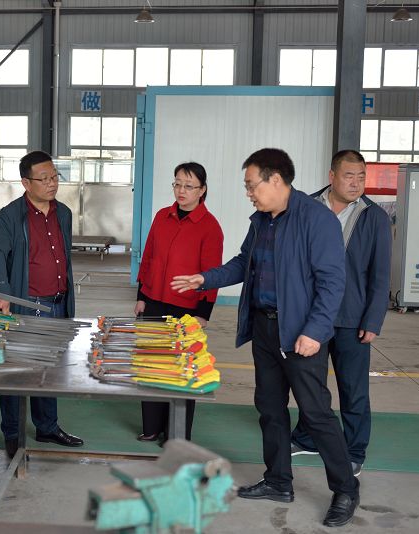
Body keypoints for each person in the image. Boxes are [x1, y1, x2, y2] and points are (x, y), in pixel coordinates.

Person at [171, 148, 359, 528]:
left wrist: (314, 331)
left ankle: (345, 489)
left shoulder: (315, 219)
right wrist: (205, 278)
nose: (248, 194)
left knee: (316, 414)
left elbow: (332, 282)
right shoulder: (261, 221)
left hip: (301, 333)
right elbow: (245, 262)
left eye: (251, 185)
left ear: (276, 180)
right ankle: (277, 481)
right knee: (270, 409)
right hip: (265, 328)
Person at [290, 150, 392, 478]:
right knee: (310, 385)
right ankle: (307, 437)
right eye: (349, 176)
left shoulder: (374, 217)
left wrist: (373, 320)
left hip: (352, 318)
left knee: (353, 388)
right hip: (311, 317)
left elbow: (380, 274)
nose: (356, 183)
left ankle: (354, 449)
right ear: (332, 176)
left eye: (361, 177)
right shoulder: (305, 206)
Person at [0, 150, 84, 458]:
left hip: (57, 304)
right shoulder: (9, 217)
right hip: (27, 306)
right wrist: (1, 292)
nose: (52, 183)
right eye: (44, 179)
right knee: (15, 372)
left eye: (55, 176)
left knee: (49, 369)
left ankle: (47, 426)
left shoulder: (63, 213)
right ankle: (12, 433)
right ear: (26, 183)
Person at [134, 161, 223, 443]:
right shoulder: (162, 216)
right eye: (177, 184)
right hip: (154, 302)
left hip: (186, 309)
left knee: (181, 370)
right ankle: (151, 427)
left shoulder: (210, 227)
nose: (181, 191)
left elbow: (212, 273)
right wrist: (141, 296)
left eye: (189, 186)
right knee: (152, 364)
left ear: (202, 190)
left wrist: (203, 312)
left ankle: (176, 434)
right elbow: (148, 257)